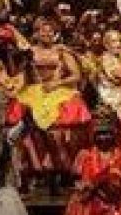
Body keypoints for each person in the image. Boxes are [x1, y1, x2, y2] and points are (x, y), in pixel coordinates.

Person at [18, 19, 91, 193]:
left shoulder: (61, 51)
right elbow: (21, 73)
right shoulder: (30, 51)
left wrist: (57, 83)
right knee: (31, 130)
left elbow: (76, 76)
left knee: (58, 132)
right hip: (36, 91)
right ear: (36, 33)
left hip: (57, 91)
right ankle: (38, 170)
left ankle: (60, 170)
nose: (47, 35)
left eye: (50, 32)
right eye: (43, 32)